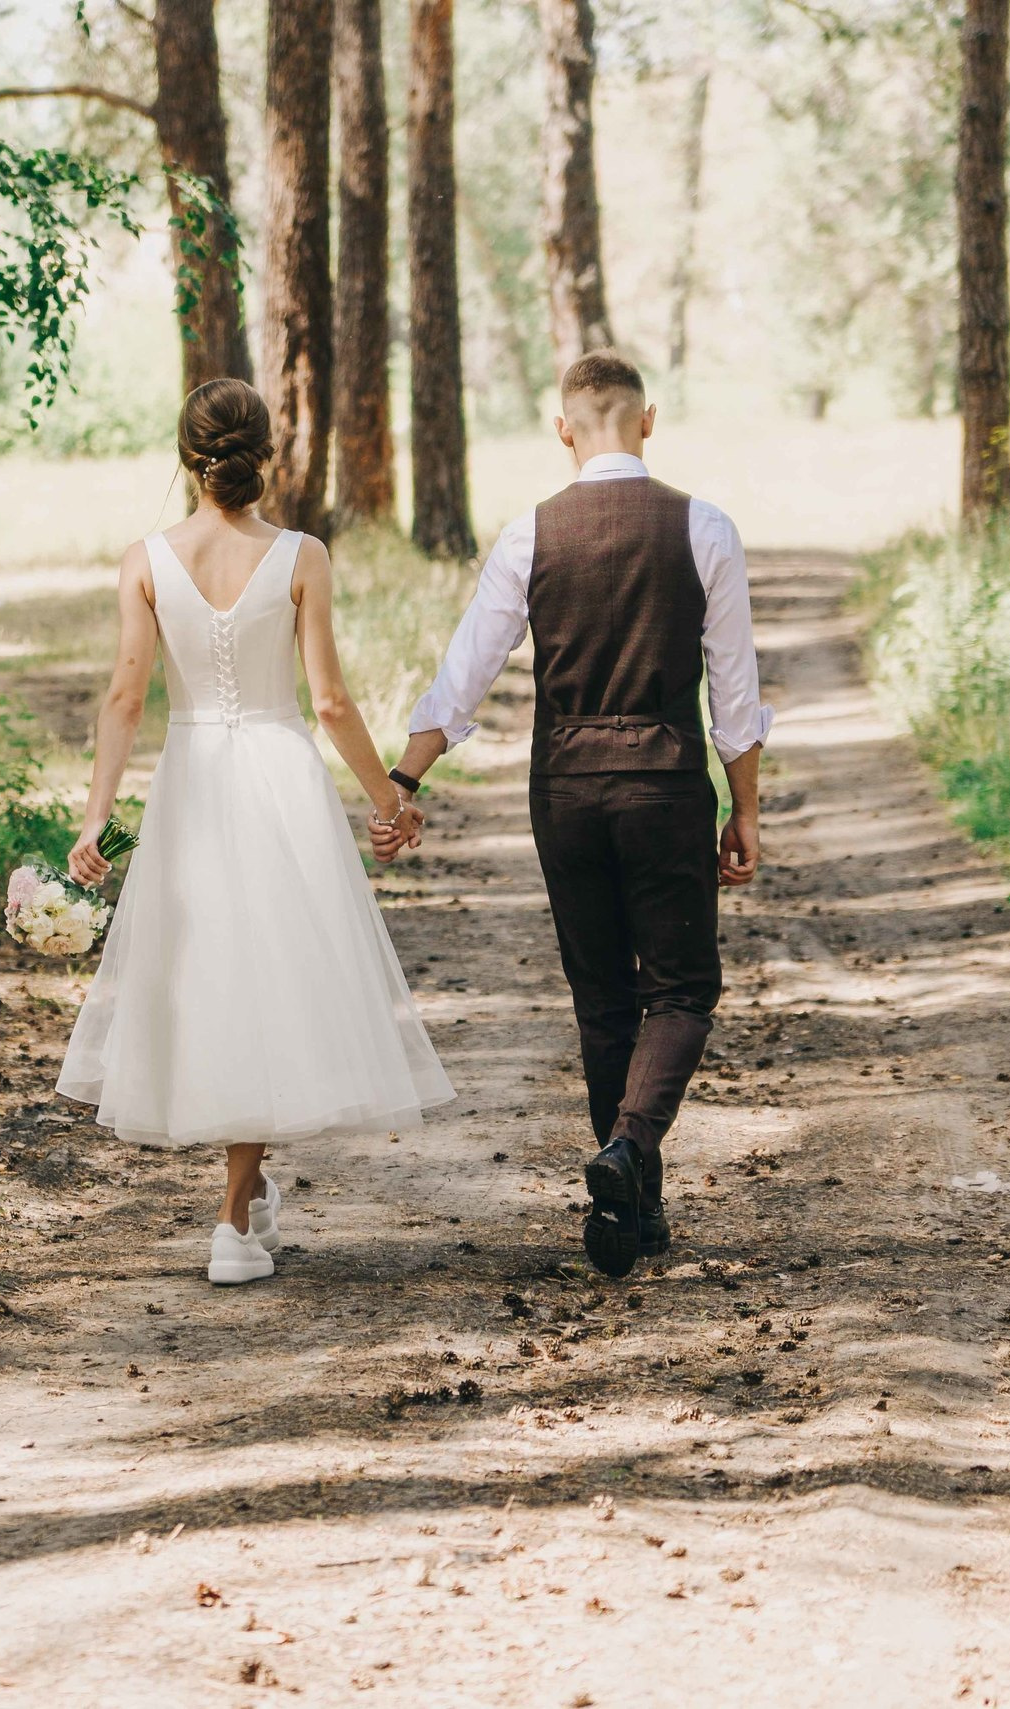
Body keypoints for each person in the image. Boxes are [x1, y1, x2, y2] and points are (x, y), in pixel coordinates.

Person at [56, 378, 455, 1285]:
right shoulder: (302, 555)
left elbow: (124, 698)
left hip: (192, 778)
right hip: (279, 775)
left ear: (186, 456)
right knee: (268, 976)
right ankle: (233, 1221)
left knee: (222, 982)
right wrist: (387, 800)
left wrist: (98, 816)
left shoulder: (145, 560)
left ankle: (250, 1190)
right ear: (265, 455)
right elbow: (331, 701)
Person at [383, 349, 771, 1279]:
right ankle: (630, 1149)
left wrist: (405, 779)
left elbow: (465, 672)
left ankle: (633, 1206)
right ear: (647, 419)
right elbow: (735, 691)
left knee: (602, 997)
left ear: (564, 430)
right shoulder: (704, 527)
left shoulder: (530, 534)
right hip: (665, 783)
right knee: (681, 990)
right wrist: (745, 808)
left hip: (563, 788)